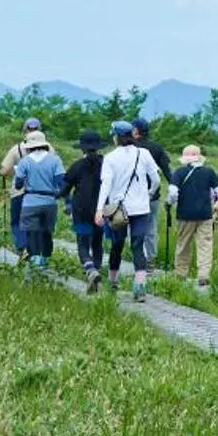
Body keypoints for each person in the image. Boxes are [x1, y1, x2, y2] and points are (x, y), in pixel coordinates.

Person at [94, 119, 163, 301]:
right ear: (132, 135)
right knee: (138, 246)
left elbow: (106, 185)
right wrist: (148, 194)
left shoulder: (110, 158)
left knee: (117, 245)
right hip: (141, 208)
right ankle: (140, 286)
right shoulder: (144, 153)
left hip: (119, 209)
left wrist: (99, 209)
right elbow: (156, 180)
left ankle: (113, 282)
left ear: (116, 137)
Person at [11, 127, 65, 268]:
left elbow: (18, 185)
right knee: (47, 232)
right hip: (50, 202)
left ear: (29, 147)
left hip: (30, 202)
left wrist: (19, 175)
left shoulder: (25, 162)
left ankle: (34, 260)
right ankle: (45, 259)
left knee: (32, 232)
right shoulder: (55, 160)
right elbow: (61, 181)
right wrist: (66, 200)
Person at [170, 143, 218, 289]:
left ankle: (181, 273)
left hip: (184, 214)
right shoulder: (209, 172)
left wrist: (172, 203)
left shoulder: (179, 172)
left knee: (183, 244)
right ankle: (203, 275)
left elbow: (173, 193)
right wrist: (216, 206)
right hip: (205, 214)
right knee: (205, 244)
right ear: (199, 158)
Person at [60, 129, 108, 282]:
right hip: (101, 210)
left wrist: (58, 196)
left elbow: (65, 189)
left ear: (82, 148)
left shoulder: (77, 166)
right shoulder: (106, 164)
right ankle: (97, 267)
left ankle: (90, 268)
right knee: (97, 242)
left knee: (83, 241)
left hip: (81, 210)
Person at [0, 117, 44, 261]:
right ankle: (36, 251)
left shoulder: (16, 149)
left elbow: (4, 171)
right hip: (41, 192)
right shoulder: (49, 148)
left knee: (17, 222)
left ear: (25, 131)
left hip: (19, 193)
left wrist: (2, 172)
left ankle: (23, 247)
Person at [132, 117, 173, 264]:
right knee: (150, 227)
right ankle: (150, 259)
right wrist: (174, 187)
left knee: (134, 227)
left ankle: (138, 257)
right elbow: (167, 172)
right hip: (152, 196)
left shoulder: (130, 148)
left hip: (133, 196)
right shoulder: (157, 148)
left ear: (135, 130)